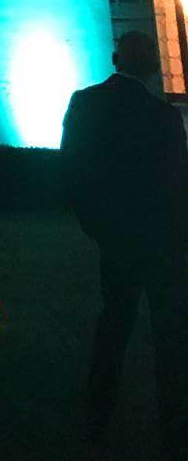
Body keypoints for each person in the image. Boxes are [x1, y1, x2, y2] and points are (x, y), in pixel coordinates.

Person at [61, 30, 188, 455]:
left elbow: (72, 172)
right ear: (152, 66)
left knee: (114, 324)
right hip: (163, 239)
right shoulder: (164, 117)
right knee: (169, 333)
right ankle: (174, 426)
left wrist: (96, 227)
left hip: (116, 237)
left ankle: (96, 419)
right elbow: (178, 184)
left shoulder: (85, 103)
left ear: (117, 60)